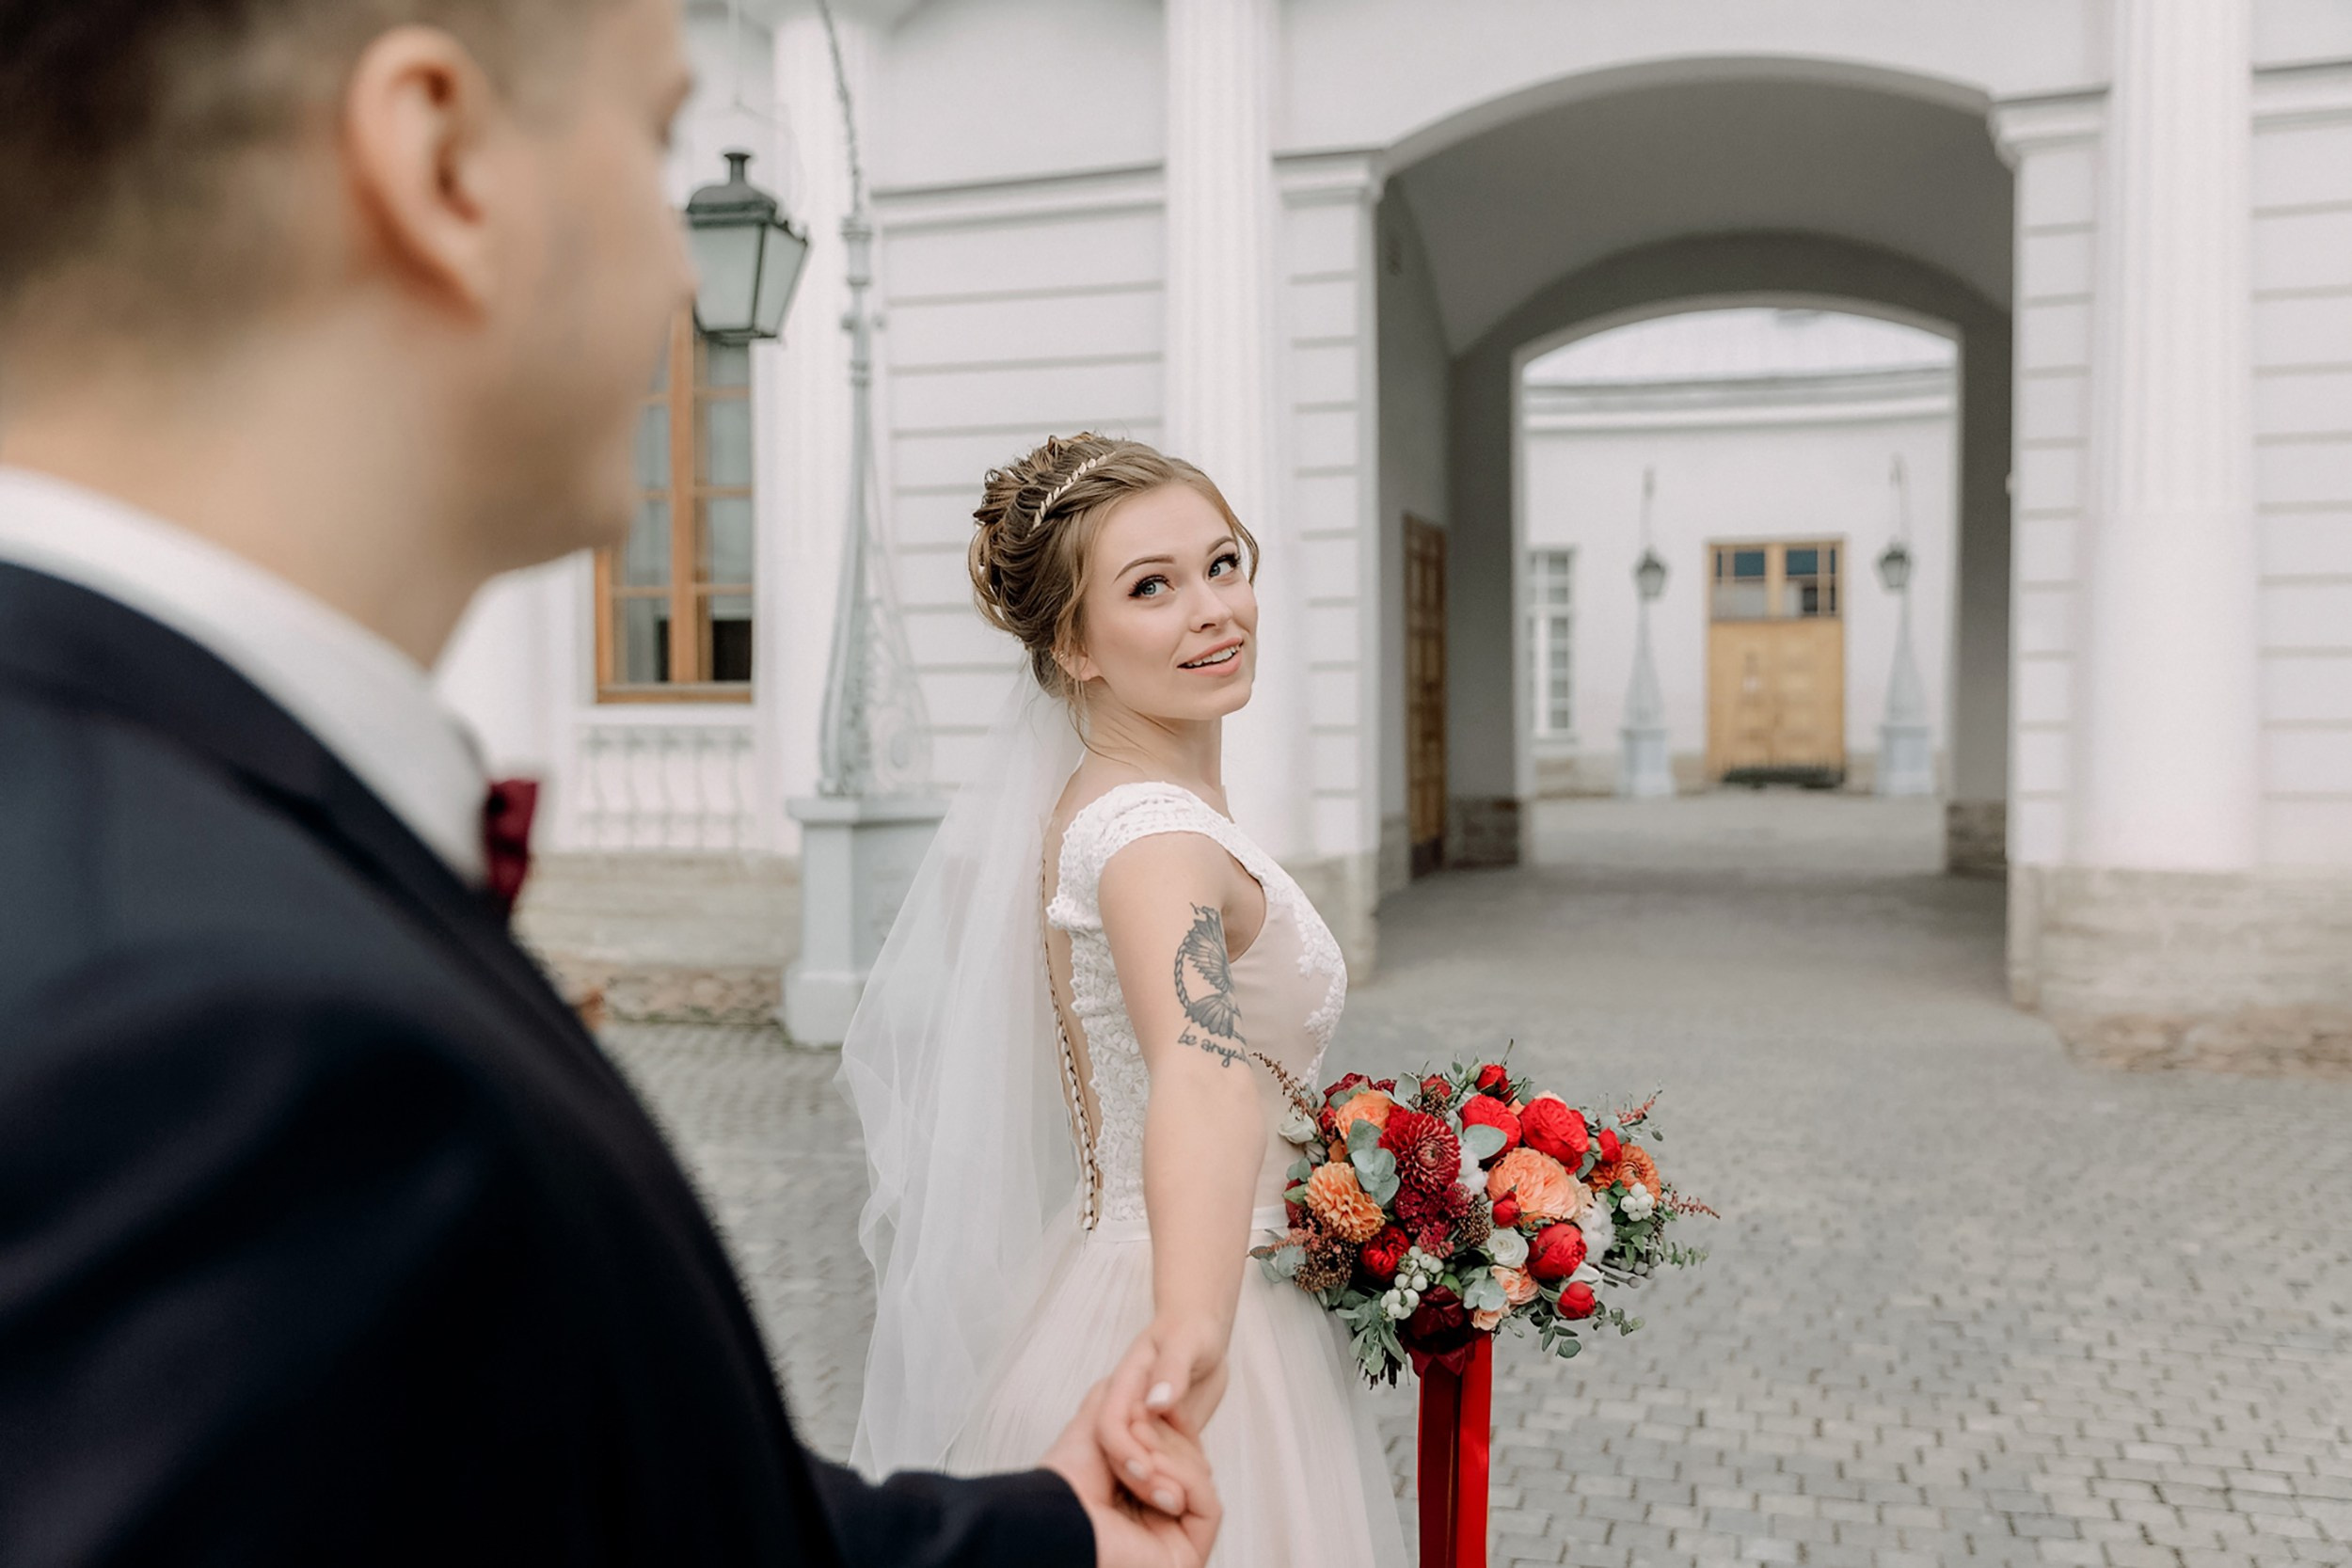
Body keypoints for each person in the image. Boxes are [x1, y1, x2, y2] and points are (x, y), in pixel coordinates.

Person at [0, 1, 1216, 1562]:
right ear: (442, 160)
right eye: (652, 142)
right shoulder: (197, 1027)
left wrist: (1047, 1540)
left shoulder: (152, 840)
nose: (679, 274)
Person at [842, 434, 1410, 1565]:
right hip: (1198, 1304)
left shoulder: (1116, 801)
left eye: (1223, 563)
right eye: (1151, 587)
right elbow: (1199, 1075)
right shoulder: (1150, 837)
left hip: (1156, 1263)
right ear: (1073, 642)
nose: (1214, 609)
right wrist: (1196, 1332)